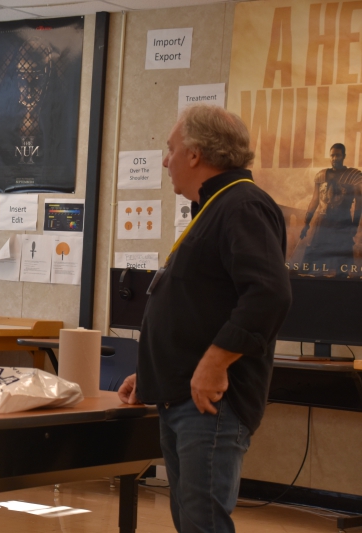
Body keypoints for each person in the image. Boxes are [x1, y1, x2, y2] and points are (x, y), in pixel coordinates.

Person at [117, 105, 292, 533]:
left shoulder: (242, 205)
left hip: (211, 404)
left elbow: (268, 294)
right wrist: (152, 373)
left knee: (203, 524)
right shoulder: (214, 208)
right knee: (190, 521)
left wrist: (214, 364)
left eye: (171, 149)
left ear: (195, 154)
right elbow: (199, 305)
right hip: (183, 396)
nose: (165, 160)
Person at [300, 143, 362, 276]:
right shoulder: (321, 175)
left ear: (343, 156)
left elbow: (359, 204)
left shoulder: (353, 176)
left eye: (337, 155)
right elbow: (315, 200)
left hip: (342, 223)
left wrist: (354, 225)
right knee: (314, 263)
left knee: (342, 263)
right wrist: (306, 223)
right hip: (322, 222)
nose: (334, 158)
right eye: (332, 155)